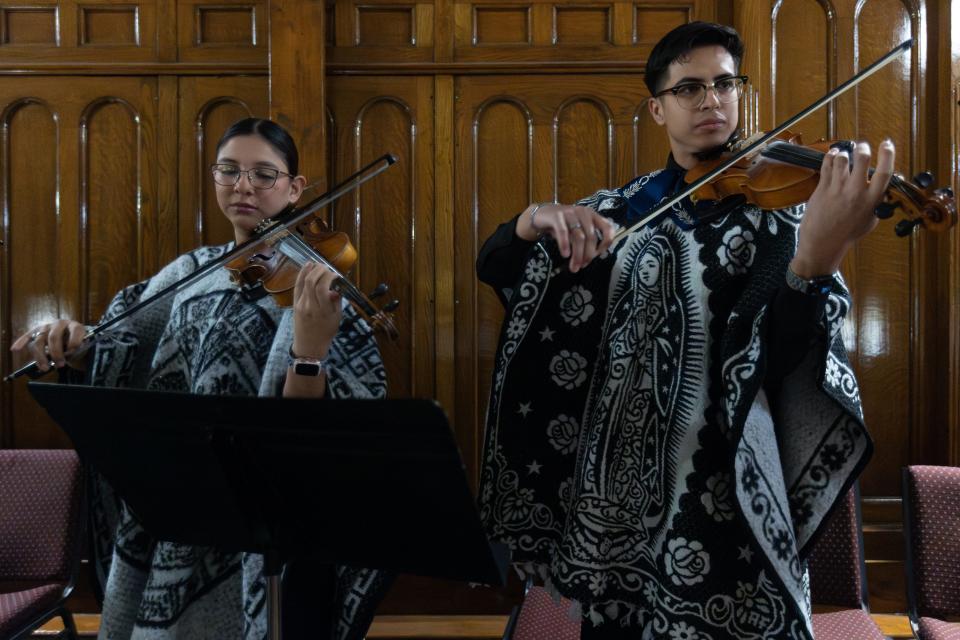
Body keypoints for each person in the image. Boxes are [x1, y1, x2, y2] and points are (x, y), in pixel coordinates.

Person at [475, 22, 891, 640]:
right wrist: (536, 217)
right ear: (658, 107)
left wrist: (817, 262)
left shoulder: (783, 216)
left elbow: (784, 360)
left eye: (725, 84)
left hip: (721, 495)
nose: (711, 101)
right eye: (690, 88)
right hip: (609, 500)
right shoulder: (616, 211)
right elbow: (501, 268)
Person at [11, 117, 393, 640]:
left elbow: (329, 430)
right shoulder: (186, 273)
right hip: (188, 512)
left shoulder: (318, 284)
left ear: (295, 187)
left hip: (277, 528)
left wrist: (309, 349)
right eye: (230, 171)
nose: (243, 186)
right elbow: (120, 351)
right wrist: (76, 344)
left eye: (264, 174)